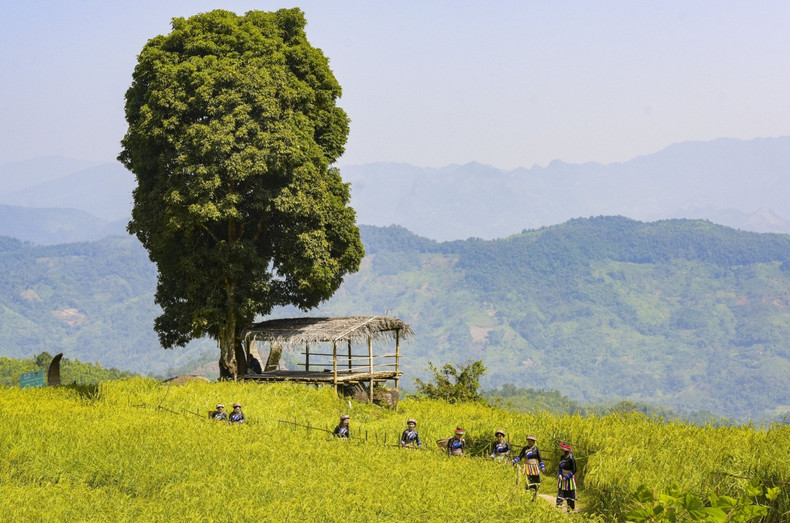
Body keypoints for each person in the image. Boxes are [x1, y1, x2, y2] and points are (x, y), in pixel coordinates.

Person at [512, 435, 545, 501]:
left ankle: (534, 496)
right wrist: (513, 461)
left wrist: (542, 467)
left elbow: (540, 459)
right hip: (527, 467)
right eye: (528, 441)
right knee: (528, 481)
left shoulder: (536, 449)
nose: (529, 442)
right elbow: (520, 457)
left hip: (534, 467)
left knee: (536, 481)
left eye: (531, 441)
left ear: (533, 442)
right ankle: (528, 496)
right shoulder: (525, 449)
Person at [556, 442, 577, 513]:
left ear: (566, 451)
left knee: (569, 494)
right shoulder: (562, 457)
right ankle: (558, 508)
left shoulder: (571, 459)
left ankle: (570, 510)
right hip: (562, 478)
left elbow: (574, 470)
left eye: (561, 450)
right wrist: (560, 474)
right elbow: (559, 467)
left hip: (569, 479)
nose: (560, 451)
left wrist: (567, 477)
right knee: (560, 493)